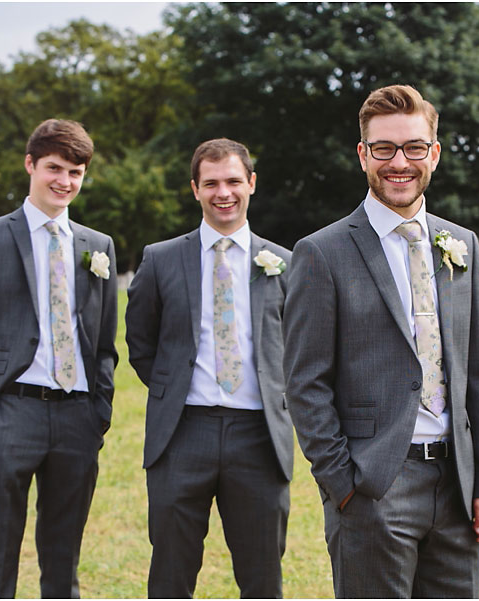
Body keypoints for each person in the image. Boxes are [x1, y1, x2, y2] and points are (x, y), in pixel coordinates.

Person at [283, 84, 479, 598]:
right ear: (363, 155)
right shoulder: (322, 252)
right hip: (374, 484)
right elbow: (304, 383)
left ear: (435, 153)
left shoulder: (462, 244)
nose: (398, 162)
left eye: (413, 147)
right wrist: (345, 486)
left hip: (457, 485)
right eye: (383, 148)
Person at [0, 119, 117, 598]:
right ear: (30, 165)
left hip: (76, 417)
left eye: (76, 172)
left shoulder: (96, 246)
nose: (65, 181)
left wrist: (97, 412)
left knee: (63, 562)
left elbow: (105, 345)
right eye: (54, 168)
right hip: (9, 413)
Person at [125, 137, 293, 598]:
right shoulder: (161, 259)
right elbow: (140, 341)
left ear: (252, 184)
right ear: (195, 189)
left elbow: (301, 348)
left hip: (260, 436)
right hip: (182, 432)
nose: (224, 193)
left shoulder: (285, 264)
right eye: (212, 183)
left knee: (262, 576)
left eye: (234, 181)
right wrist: (171, 386)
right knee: (171, 573)